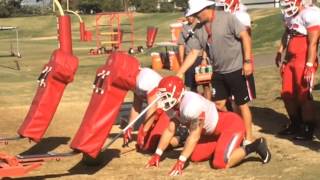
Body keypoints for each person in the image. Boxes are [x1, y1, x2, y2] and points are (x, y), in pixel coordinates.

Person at [146, 76, 271, 176]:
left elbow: (194, 136)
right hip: (212, 133)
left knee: (220, 163)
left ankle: (255, 145)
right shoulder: (174, 106)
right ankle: (224, 145)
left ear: (177, 93)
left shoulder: (191, 106)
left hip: (230, 125)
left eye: (165, 95)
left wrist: (180, 162)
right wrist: (157, 154)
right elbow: (170, 130)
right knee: (195, 156)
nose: (163, 99)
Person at [176, 0, 255, 142]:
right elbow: (194, 52)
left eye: (196, 13)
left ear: (205, 9)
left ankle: (248, 137)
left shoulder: (228, 18)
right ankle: (236, 128)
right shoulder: (199, 29)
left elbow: (245, 37)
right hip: (217, 72)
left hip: (236, 69)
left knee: (241, 104)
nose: (195, 17)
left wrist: (247, 61)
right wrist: (180, 72)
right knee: (219, 104)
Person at [275, 0, 320, 140]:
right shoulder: (290, 16)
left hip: (303, 58)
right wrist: (281, 51)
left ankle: (308, 128)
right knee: (287, 94)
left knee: (303, 95)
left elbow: (313, 42)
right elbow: (288, 33)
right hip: (291, 58)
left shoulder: (310, 14)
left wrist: (309, 64)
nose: (288, 6)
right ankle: (295, 124)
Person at [178, 14, 212, 100]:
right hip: (188, 59)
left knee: (205, 84)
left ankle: (208, 104)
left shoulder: (201, 26)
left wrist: (204, 59)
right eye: (188, 16)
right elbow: (181, 44)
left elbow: (206, 44)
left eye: (192, 16)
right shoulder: (184, 28)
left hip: (200, 58)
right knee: (190, 86)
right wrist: (182, 61)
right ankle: (195, 104)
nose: (190, 18)